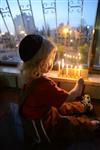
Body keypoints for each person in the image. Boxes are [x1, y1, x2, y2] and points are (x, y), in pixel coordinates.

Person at [18, 34, 100, 144]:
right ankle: (93, 125)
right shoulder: (45, 85)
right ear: (42, 63)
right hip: (43, 124)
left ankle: (85, 106)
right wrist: (79, 84)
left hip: (41, 111)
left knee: (63, 107)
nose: (53, 62)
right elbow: (70, 97)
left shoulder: (28, 77)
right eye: (51, 59)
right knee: (68, 124)